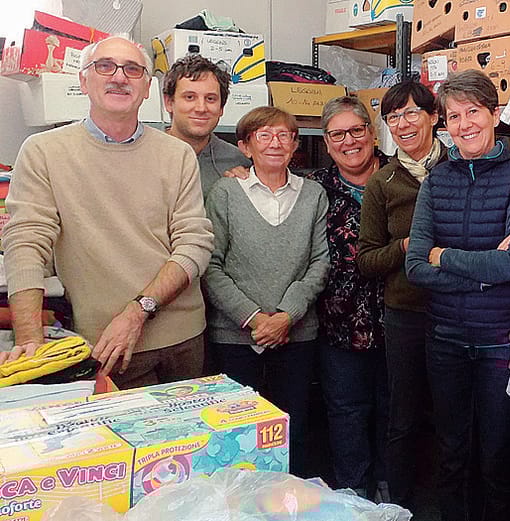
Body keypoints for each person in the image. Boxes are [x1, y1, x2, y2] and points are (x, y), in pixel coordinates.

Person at [1, 35, 214, 388]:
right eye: (105, 66)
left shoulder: (176, 155)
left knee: (191, 445)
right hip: (105, 346)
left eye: (133, 69)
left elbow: (194, 243)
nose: (119, 77)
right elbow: (25, 243)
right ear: (84, 81)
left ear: (147, 89)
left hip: (184, 340)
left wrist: (137, 311)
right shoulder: (43, 152)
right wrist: (29, 341)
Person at [406, 70, 510, 521]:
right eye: (453, 116)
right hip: (445, 339)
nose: (464, 125)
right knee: (451, 453)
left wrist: (446, 255)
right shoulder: (437, 181)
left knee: (498, 455)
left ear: (495, 114)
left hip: (501, 341)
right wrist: (481, 270)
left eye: (473, 112)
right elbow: (416, 266)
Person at [202, 106, 330, 478]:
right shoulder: (225, 192)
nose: (275, 143)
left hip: (298, 335)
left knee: (294, 431)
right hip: (236, 337)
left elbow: (320, 262)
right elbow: (211, 265)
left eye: (284, 135)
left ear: (295, 146)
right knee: (238, 438)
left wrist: (287, 315)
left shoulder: (313, 194)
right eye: (264, 135)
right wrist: (255, 318)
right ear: (245, 146)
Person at [357, 81, 445, 508]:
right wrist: (405, 247)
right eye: (393, 117)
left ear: (433, 117)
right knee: (403, 414)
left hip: (458, 312)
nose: (403, 124)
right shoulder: (382, 183)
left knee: (453, 414)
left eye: (412, 113)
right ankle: (402, 504)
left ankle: (450, 501)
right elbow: (366, 260)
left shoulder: (457, 166)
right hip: (406, 314)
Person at [308, 95, 390, 499]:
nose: (349, 141)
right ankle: (353, 495)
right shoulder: (313, 190)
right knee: (347, 413)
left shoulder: (401, 177)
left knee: (396, 412)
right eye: (337, 134)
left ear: (373, 134)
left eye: (357, 130)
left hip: (400, 321)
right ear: (326, 142)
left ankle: (394, 491)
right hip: (339, 326)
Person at [162, 54, 250, 198]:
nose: (201, 108)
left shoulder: (237, 161)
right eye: (189, 97)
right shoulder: (145, 155)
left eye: (210, 99)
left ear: (221, 107)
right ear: (169, 102)